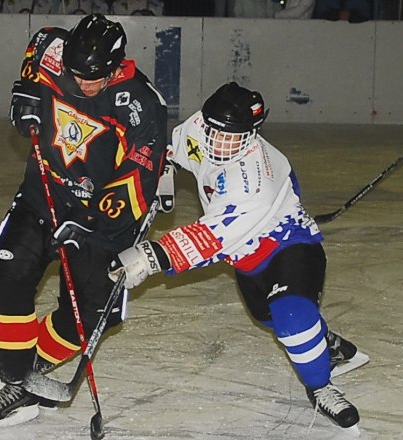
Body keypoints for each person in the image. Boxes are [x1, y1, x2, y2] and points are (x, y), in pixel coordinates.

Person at [107, 82, 368, 429]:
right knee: (266, 318)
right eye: (214, 131)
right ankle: (327, 344)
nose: (219, 143)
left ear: (252, 134)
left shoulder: (253, 179)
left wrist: (150, 256)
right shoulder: (201, 126)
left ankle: (321, 387)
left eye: (232, 137)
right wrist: (166, 171)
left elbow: (211, 236)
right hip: (245, 257)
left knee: (291, 317)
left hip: (288, 243)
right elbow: (174, 149)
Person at [0, 13, 169, 431]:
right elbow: (39, 44)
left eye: (94, 77)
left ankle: (30, 368)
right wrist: (24, 91)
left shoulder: (140, 103)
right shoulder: (53, 51)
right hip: (43, 198)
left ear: (117, 65)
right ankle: (15, 381)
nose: (83, 84)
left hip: (102, 220)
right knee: (7, 279)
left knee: (91, 315)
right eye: (76, 74)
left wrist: (92, 220)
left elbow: (141, 175)